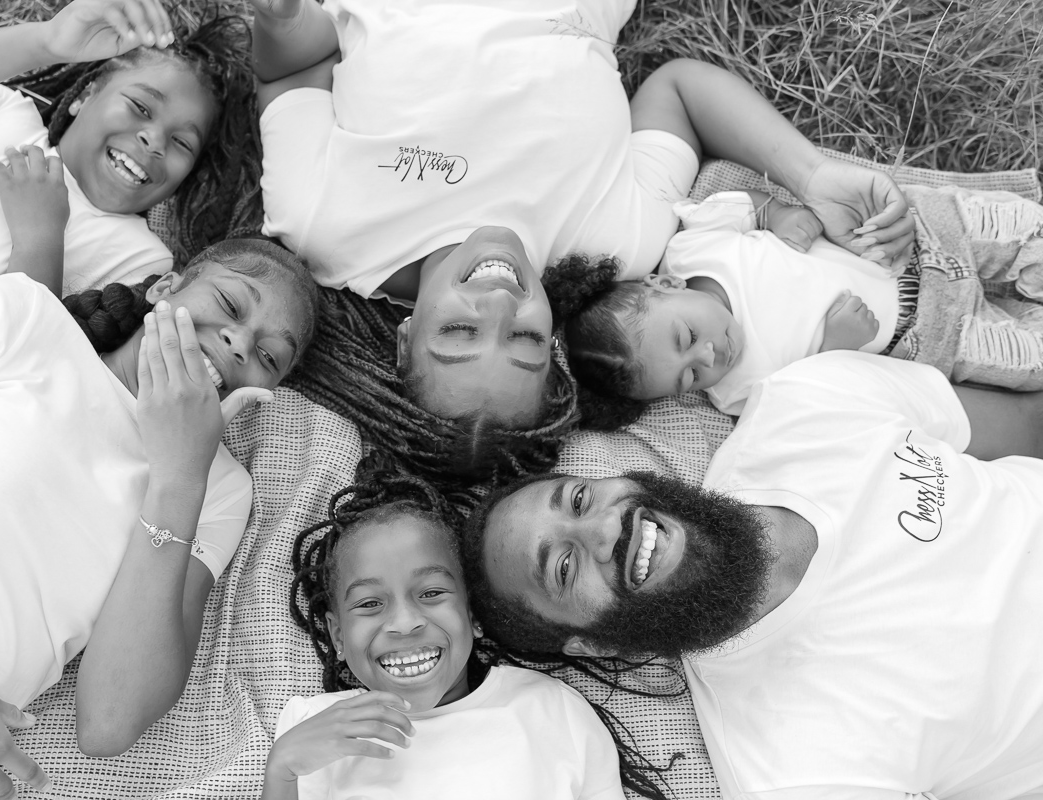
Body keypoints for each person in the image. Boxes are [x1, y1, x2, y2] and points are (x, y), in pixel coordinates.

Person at [0, 186, 319, 800]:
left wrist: (178, 476)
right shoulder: (23, 319)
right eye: (229, 304)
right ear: (164, 288)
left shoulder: (218, 489)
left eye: (268, 356)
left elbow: (109, 720)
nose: (238, 343)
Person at [249, 0, 915, 432]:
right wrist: (812, 173)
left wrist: (279, 21)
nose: (500, 306)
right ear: (554, 344)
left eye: (459, 332)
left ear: (404, 338)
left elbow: (297, 65)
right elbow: (676, 91)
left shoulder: (322, 227)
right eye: (527, 342)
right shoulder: (616, 245)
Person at [460, 350, 1043, 799]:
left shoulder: (807, 405)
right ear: (595, 643)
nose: (605, 532)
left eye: (581, 499)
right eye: (564, 567)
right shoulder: (793, 773)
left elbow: (1026, 421)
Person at [0, 0, 253, 356]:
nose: (154, 139)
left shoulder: (140, 260)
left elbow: (27, 361)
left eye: (182, 143)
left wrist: (40, 238)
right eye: (141, 107)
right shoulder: (2, 114)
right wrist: (46, 41)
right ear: (84, 95)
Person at [271, 471, 666, 800]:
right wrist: (282, 771)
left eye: (431, 594)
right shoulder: (309, 729)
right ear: (337, 635)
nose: (405, 623)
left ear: (474, 615)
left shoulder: (550, 709)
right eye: (370, 604)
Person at [548, 186, 1043, 425]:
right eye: (689, 378)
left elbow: (745, 203)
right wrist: (833, 348)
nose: (708, 358)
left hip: (915, 243)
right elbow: (811, 403)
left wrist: (777, 213)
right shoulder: (737, 393)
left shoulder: (697, 249)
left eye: (686, 338)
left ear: (663, 284)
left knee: (1023, 231)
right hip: (929, 336)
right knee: (1030, 358)